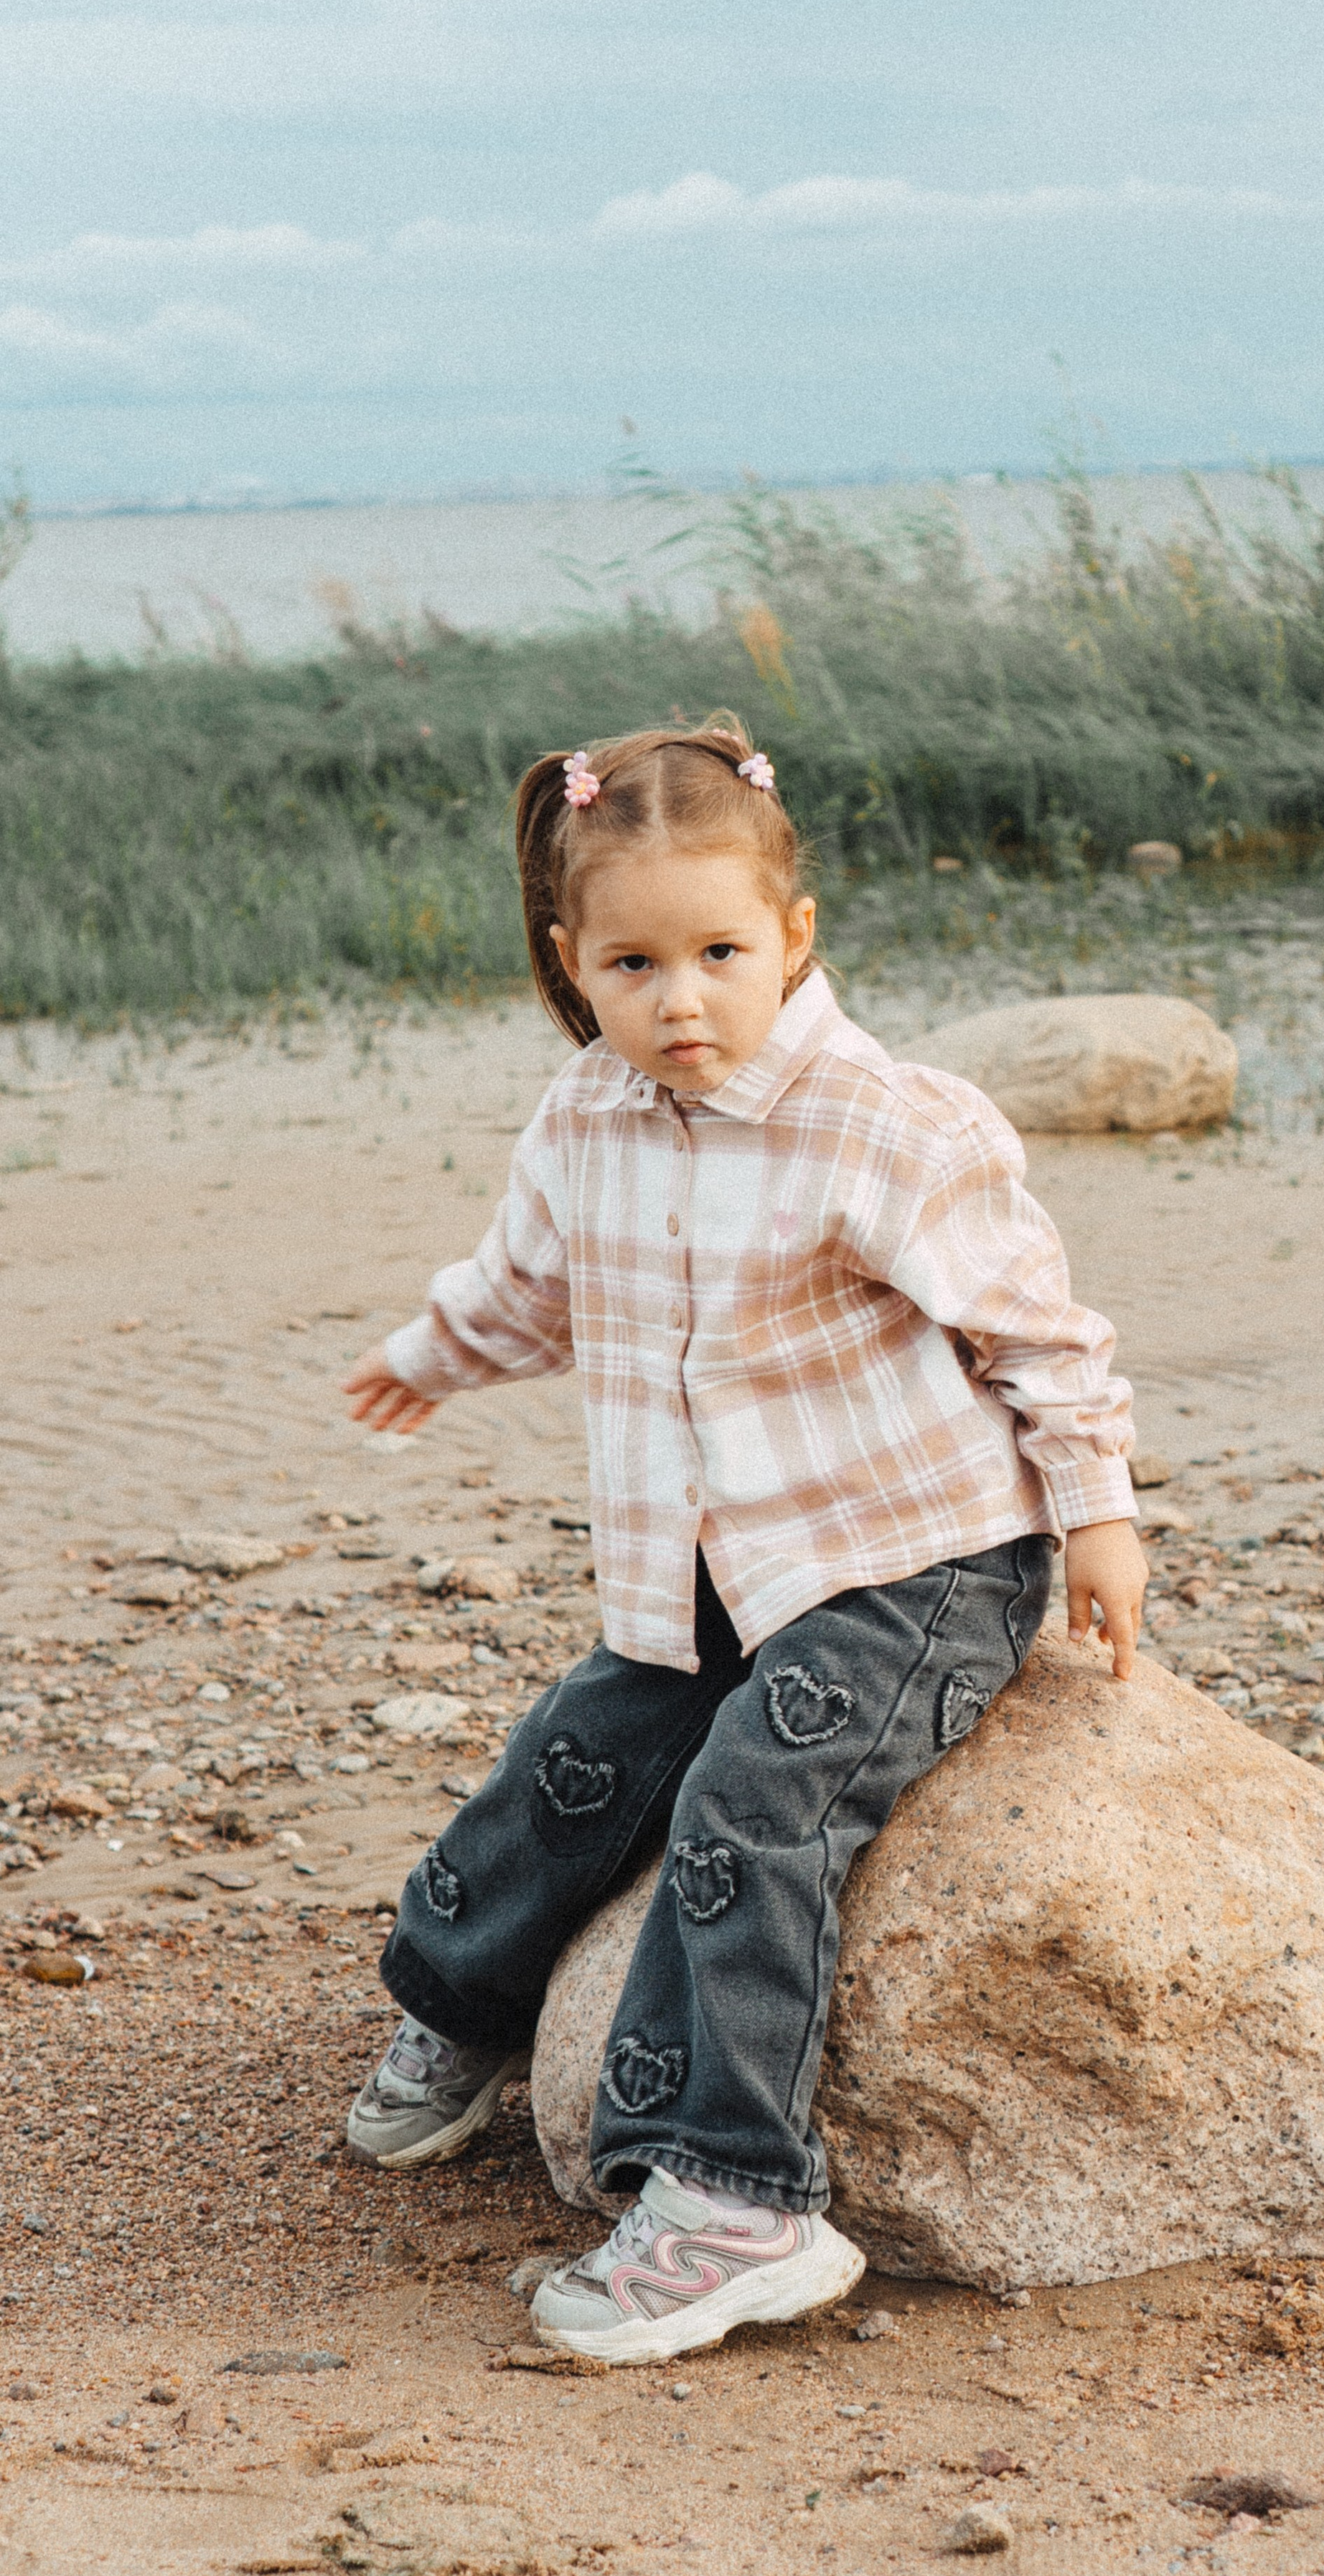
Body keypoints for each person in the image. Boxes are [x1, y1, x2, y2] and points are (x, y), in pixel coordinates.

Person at [339, 716, 1145, 2364]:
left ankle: (734, 2196)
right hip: (716, 1557)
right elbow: (528, 1285)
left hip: (912, 1561)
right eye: (632, 962)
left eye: (717, 952)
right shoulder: (586, 1119)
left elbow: (1040, 1336)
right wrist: (431, 1352)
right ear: (574, 963)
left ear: (791, 936)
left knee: (752, 1798)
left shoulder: (888, 1126)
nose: (679, 999)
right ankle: (466, 2006)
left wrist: (1097, 1515)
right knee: (586, 1737)